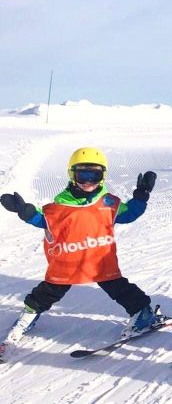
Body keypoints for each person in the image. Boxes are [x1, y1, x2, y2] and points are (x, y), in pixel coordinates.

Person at [0, 147, 159, 359]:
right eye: (82, 174)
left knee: (120, 289)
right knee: (47, 292)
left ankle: (143, 314)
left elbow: (129, 214)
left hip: (99, 262)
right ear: (71, 175)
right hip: (67, 262)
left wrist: (141, 196)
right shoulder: (59, 206)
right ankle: (29, 315)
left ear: (102, 176)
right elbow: (43, 220)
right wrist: (25, 212)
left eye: (95, 175)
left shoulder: (108, 203)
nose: (88, 181)